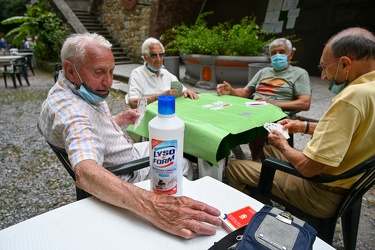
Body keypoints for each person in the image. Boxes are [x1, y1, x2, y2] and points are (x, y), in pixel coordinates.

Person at [38, 33, 221, 238]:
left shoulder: (70, 90)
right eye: (99, 72)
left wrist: (119, 119)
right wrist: (154, 206)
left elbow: (90, 132)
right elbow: (86, 173)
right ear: (71, 70)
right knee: (183, 162)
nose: (108, 82)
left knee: (171, 146)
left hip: (125, 152)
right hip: (127, 172)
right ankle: (186, 207)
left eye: (111, 72)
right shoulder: (73, 112)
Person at [224, 27, 375, 218]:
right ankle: (264, 189)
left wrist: (283, 145)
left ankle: (257, 216)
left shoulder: (351, 98)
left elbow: (308, 168)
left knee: (236, 167)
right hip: (347, 183)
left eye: (323, 67)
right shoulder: (369, 89)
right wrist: (302, 126)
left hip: (320, 191)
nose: (323, 77)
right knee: (269, 150)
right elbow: (350, 130)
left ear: (345, 64)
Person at [217, 38, 311, 160]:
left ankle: (256, 159)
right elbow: (246, 92)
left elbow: (305, 103)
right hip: (254, 109)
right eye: (273, 53)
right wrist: (231, 91)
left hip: (277, 114)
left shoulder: (299, 73)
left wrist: (273, 103)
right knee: (224, 119)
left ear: (290, 55)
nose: (277, 56)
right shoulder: (263, 72)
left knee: (258, 126)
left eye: (282, 52)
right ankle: (240, 156)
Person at [128, 37, 199, 109]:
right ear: (145, 57)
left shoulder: (166, 74)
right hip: (145, 116)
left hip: (166, 114)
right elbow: (133, 103)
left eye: (161, 55)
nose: (158, 59)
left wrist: (186, 91)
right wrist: (161, 96)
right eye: (154, 55)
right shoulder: (137, 74)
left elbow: (182, 90)